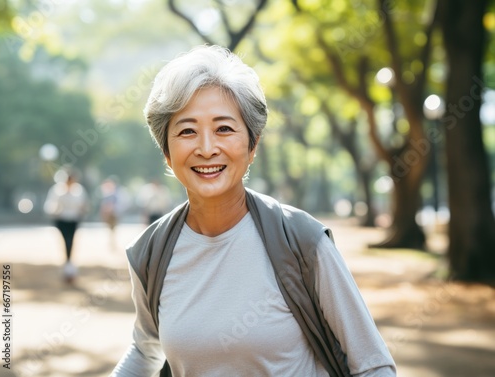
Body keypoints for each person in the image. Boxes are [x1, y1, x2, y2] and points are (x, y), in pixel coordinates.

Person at [111, 45, 396, 376]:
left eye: (224, 128)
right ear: (167, 153)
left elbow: (372, 365)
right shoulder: (150, 253)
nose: (206, 148)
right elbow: (146, 349)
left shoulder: (303, 242)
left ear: (252, 145)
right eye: (187, 131)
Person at [44, 170, 88, 283]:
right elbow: (51, 205)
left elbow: (83, 205)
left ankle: (69, 265)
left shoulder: (79, 191)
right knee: (66, 241)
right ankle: (68, 265)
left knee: (70, 241)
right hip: (61, 220)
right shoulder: (57, 191)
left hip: (73, 220)